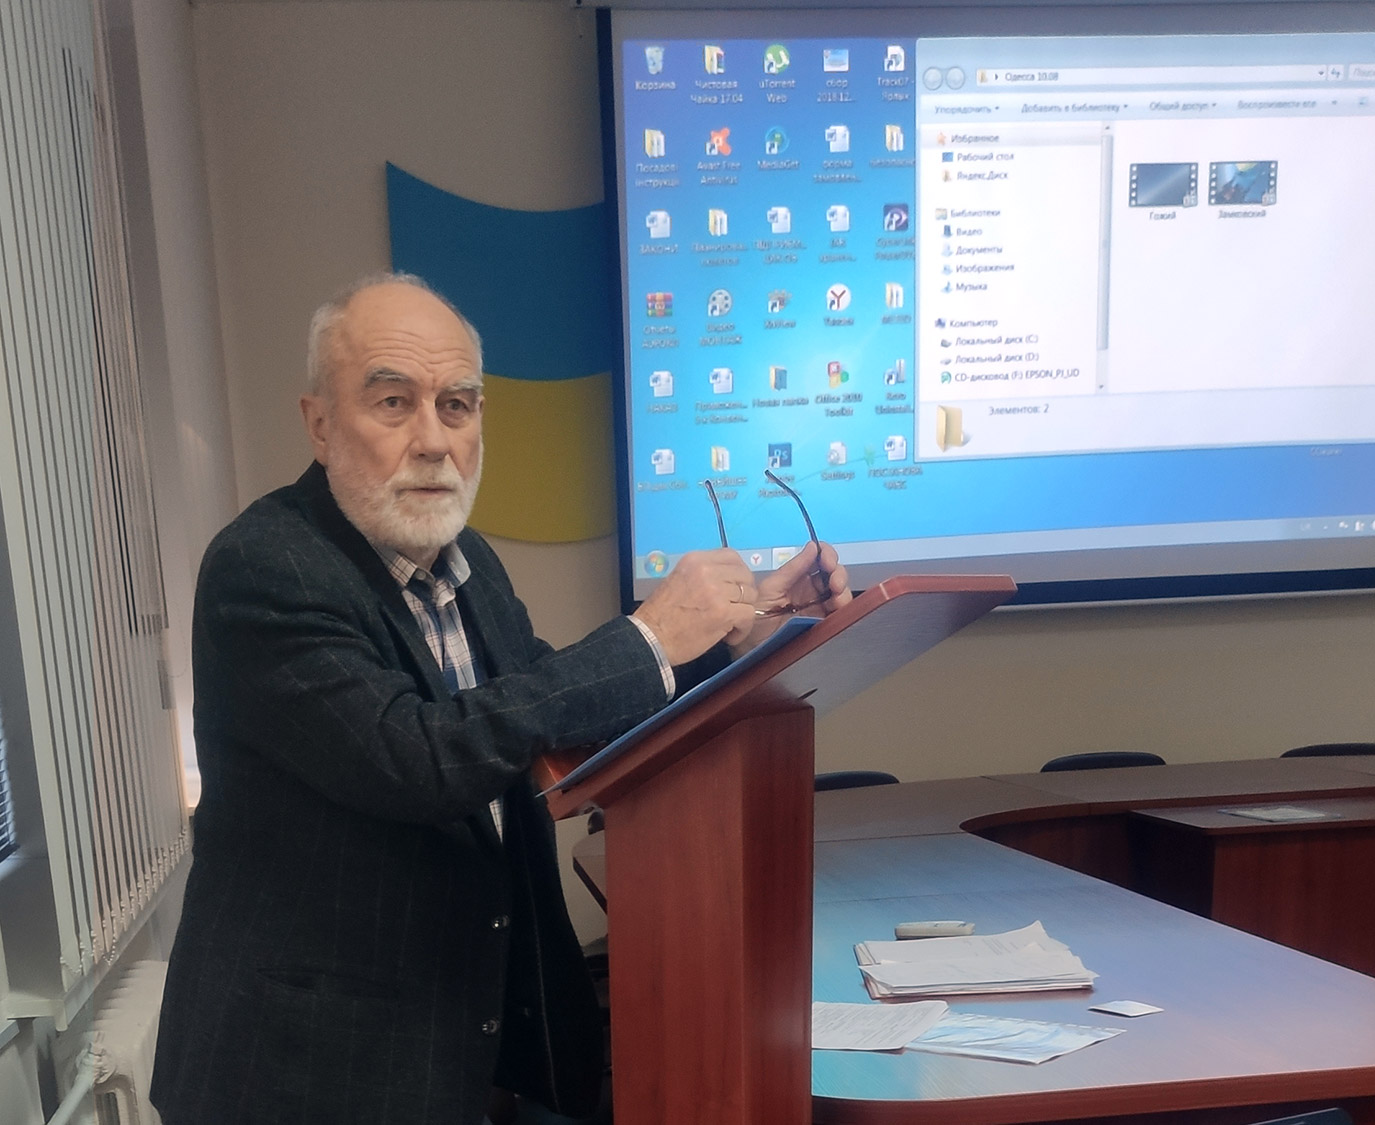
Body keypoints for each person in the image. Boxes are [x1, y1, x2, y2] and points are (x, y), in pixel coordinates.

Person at [150, 274, 850, 1124]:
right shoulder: (266, 567)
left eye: (456, 405)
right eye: (393, 402)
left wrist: (737, 634)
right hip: (305, 1078)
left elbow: (550, 718)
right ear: (320, 424)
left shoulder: (468, 561)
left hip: (455, 1050)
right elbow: (417, 756)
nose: (432, 440)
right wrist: (648, 636)